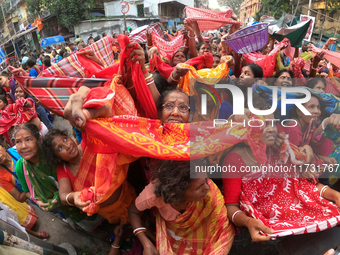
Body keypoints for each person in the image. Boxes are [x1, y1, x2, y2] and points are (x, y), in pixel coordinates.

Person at [128, 160, 234, 254]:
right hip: (174, 236)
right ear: (177, 192)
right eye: (199, 187)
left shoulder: (210, 193)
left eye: (206, 180)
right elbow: (133, 212)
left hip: (204, 237)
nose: (207, 187)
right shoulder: (154, 194)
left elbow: (221, 228)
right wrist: (145, 242)